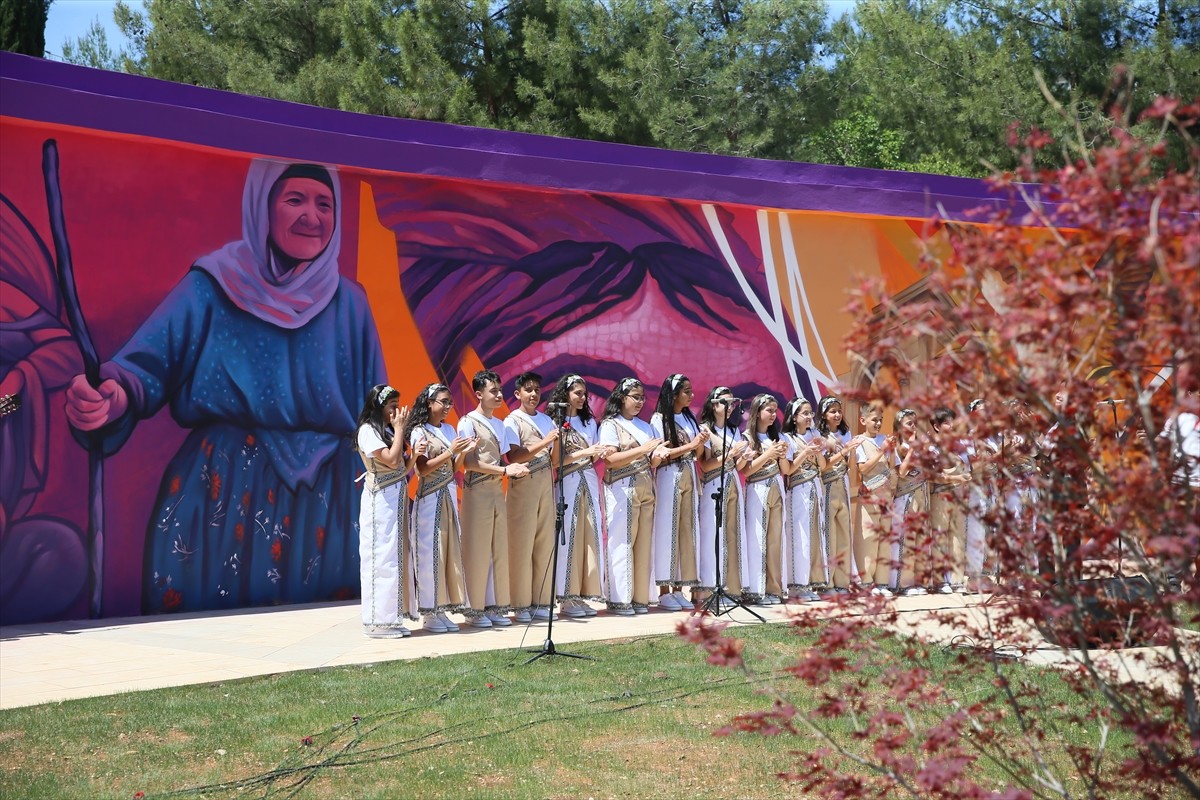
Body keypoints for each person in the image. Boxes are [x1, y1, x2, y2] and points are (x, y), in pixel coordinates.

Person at [64, 160, 385, 614]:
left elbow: (378, 409)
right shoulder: (212, 286)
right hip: (225, 489)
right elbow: (143, 367)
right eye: (295, 200)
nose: (312, 216)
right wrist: (110, 397)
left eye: (325, 204)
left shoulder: (351, 303)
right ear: (261, 207)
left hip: (327, 498)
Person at [457, 369, 529, 628]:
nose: (499, 395)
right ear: (478, 394)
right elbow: (470, 463)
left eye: (500, 390)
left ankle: (496, 606)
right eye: (493, 391)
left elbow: (505, 458)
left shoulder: (500, 424)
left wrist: (510, 470)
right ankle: (475, 609)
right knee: (478, 549)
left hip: (498, 489)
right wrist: (505, 470)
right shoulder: (468, 422)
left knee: (497, 549)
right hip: (477, 490)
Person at [355, 384, 426, 638]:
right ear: (379, 407)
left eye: (398, 404)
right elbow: (392, 459)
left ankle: (392, 619)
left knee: (396, 556)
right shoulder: (367, 431)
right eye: (392, 405)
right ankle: (376, 622)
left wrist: (415, 456)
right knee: (381, 557)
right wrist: (399, 430)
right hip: (380, 503)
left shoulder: (385, 430)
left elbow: (401, 468)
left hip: (395, 499)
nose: (397, 410)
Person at [405, 383, 473, 633]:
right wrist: (451, 452)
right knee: (430, 551)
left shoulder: (449, 429)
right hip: (429, 498)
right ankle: (429, 612)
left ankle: (441, 608)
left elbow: (454, 468)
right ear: (429, 402)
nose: (447, 407)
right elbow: (422, 469)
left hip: (447, 495)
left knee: (448, 552)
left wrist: (463, 453)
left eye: (449, 403)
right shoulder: (418, 431)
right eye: (443, 402)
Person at [546, 374, 609, 617]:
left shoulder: (589, 423)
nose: (582, 398)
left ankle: (583, 594)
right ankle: (566, 597)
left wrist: (597, 453)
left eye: (584, 394)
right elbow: (555, 462)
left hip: (589, 479)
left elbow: (592, 455)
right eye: (577, 393)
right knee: (569, 535)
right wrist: (586, 452)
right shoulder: (555, 423)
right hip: (568, 481)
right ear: (565, 395)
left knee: (589, 534)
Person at [599, 378, 664, 616]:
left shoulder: (646, 426)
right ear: (622, 397)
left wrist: (658, 455)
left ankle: (640, 598)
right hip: (622, 487)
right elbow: (610, 460)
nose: (639, 401)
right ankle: (619, 599)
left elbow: (652, 460)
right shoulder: (610, 424)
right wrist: (643, 450)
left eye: (642, 397)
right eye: (634, 397)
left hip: (646, 485)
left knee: (643, 544)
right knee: (622, 542)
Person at [649, 374, 708, 611]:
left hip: (689, 475)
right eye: (686, 391)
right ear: (673, 395)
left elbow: (699, 453)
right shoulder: (658, 419)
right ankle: (664, 590)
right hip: (669, 475)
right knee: (668, 529)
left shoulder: (688, 418)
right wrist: (691, 445)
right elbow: (661, 453)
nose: (691, 396)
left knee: (686, 530)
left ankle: (679, 588)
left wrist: (701, 441)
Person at [503, 371, 558, 623]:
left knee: (544, 543)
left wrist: (556, 443)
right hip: (523, 484)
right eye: (528, 389)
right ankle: (520, 604)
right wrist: (545, 441)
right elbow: (513, 457)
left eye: (537, 389)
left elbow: (555, 460)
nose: (533, 394)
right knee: (521, 544)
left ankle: (541, 602)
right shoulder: (512, 421)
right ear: (518, 394)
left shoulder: (548, 420)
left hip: (546, 482)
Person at [697, 387, 750, 608]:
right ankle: (708, 589)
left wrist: (745, 457)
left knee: (732, 534)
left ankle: (730, 588)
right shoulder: (705, 431)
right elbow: (704, 464)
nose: (729, 408)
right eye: (724, 403)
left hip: (732, 483)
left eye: (732, 404)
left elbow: (737, 466)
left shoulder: (733, 430)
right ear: (713, 405)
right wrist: (730, 455)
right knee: (712, 535)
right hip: (713, 485)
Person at [740, 393, 792, 606]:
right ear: (757, 412)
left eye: (774, 410)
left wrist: (781, 455)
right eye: (768, 410)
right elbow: (746, 471)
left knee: (775, 540)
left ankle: (774, 589)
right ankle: (756, 590)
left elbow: (786, 470)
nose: (773, 414)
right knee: (757, 540)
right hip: (757, 490)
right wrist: (769, 453)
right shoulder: (747, 438)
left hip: (776, 488)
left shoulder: (777, 438)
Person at [817, 396, 866, 593]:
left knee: (844, 532)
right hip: (827, 484)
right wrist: (844, 450)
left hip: (843, 483)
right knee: (829, 533)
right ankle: (827, 583)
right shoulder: (819, 435)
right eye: (832, 411)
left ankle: (843, 582)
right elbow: (823, 466)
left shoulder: (846, 433)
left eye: (839, 410)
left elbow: (850, 464)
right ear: (824, 414)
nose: (837, 414)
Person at [780, 398, 824, 602]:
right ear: (794, 417)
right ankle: (796, 585)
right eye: (805, 413)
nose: (809, 417)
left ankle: (810, 583)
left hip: (815, 487)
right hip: (798, 490)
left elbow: (822, 466)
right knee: (799, 536)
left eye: (810, 413)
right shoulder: (787, 438)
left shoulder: (815, 435)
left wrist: (818, 449)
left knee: (815, 536)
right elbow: (787, 469)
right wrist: (805, 452)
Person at [928, 406, 972, 594]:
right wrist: (957, 478)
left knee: (958, 537)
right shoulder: (932, 447)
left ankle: (956, 579)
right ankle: (939, 580)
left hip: (959, 496)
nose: (951, 426)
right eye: (947, 423)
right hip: (941, 495)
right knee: (940, 535)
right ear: (937, 426)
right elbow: (932, 475)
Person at [855, 403, 896, 597]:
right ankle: (866, 583)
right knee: (869, 540)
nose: (878, 423)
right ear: (863, 421)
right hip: (870, 496)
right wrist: (882, 450)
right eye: (874, 420)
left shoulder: (884, 439)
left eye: (881, 420)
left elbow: (891, 465)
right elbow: (863, 469)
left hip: (886, 496)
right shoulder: (859, 441)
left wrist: (890, 449)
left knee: (884, 540)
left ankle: (882, 582)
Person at [891, 409, 929, 596]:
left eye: (915, 423)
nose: (914, 427)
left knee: (920, 539)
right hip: (906, 496)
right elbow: (903, 472)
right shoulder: (898, 446)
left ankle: (918, 580)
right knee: (905, 539)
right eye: (909, 423)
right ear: (899, 426)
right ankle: (903, 583)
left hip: (921, 494)